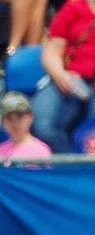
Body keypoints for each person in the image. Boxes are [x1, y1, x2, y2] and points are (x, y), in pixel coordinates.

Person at [31, 0, 95, 153]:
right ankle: (68, 166)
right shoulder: (73, 6)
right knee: (42, 124)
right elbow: (52, 50)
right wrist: (60, 75)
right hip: (70, 78)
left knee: (90, 134)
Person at [0, 90, 52, 160]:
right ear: (3, 122)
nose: (14, 123)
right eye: (9, 118)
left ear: (30, 117)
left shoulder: (41, 151)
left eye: (19, 117)